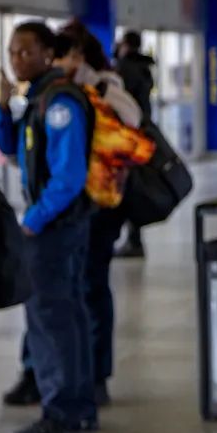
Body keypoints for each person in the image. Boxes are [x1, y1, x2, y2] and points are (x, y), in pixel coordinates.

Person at [0, 21, 98, 433]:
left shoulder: (60, 104)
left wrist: (32, 220)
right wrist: (2, 107)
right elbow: (15, 150)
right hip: (55, 225)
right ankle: (77, 406)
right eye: (13, 52)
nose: (17, 59)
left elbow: (68, 177)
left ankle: (63, 412)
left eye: (25, 52)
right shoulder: (37, 99)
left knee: (53, 320)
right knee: (64, 316)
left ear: (48, 55)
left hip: (58, 228)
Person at [57, 23, 144, 406]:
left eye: (71, 53)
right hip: (71, 203)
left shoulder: (107, 84)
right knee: (71, 285)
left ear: (85, 55)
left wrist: (97, 88)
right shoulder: (57, 90)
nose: (65, 62)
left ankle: (97, 374)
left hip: (103, 201)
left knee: (92, 283)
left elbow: (134, 119)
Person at [113, 30, 154, 259]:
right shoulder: (144, 68)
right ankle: (133, 237)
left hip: (128, 134)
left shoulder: (126, 69)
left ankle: (133, 240)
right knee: (134, 185)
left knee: (128, 187)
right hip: (141, 132)